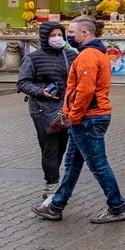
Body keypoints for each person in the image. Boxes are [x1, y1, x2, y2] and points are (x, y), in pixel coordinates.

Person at [32, 16, 125, 223]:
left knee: (97, 164)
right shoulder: (97, 53)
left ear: (84, 33)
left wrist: (73, 116)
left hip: (87, 118)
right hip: (89, 117)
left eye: (71, 32)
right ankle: (56, 205)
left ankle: (117, 206)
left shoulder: (87, 56)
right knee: (72, 164)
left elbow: (85, 91)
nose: (68, 36)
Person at [16, 21, 75, 197]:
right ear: (44, 37)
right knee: (49, 147)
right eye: (52, 35)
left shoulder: (71, 55)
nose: (57, 38)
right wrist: (41, 92)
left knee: (62, 146)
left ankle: (53, 180)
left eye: (60, 35)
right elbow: (23, 82)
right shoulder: (33, 58)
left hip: (65, 108)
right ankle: (51, 185)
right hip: (42, 109)